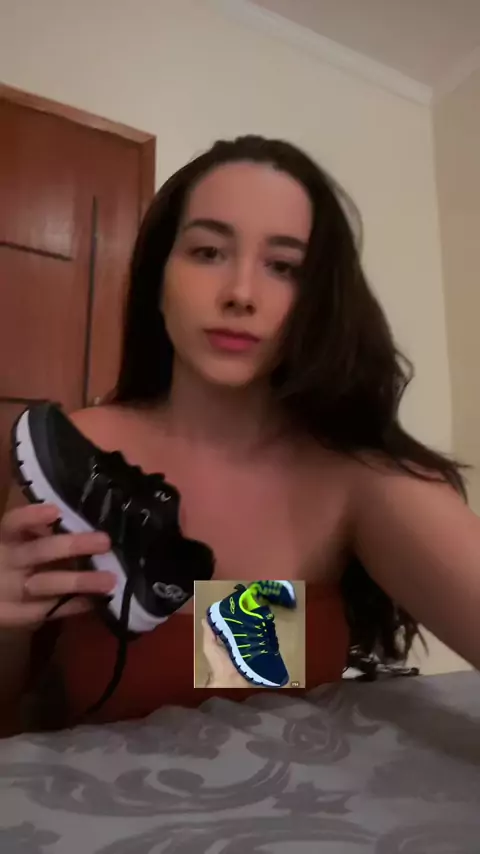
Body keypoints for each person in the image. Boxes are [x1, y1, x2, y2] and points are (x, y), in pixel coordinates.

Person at [0, 135, 478, 734]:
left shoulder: (352, 478)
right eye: (207, 252)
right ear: (159, 277)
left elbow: (223, 669)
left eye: (284, 267)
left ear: (318, 300)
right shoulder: (71, 455)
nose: (240, 294)